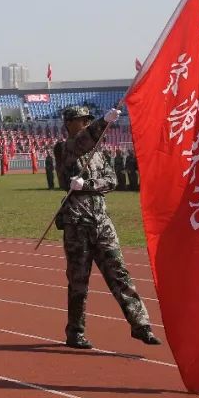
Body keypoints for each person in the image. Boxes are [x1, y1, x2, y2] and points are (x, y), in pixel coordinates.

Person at [53, 106, 160, 349]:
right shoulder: (64, 148)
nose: (86, 125)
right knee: (79, 281)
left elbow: (112, 180)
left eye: (88, 121)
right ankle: (75, 332)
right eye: (82, 121)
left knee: (119, 273)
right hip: (77, 223)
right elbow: (82, 142)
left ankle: (141, 324)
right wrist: (103, 122)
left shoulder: (99, 154)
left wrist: (89, 183)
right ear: (69, 123)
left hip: (101, 221)